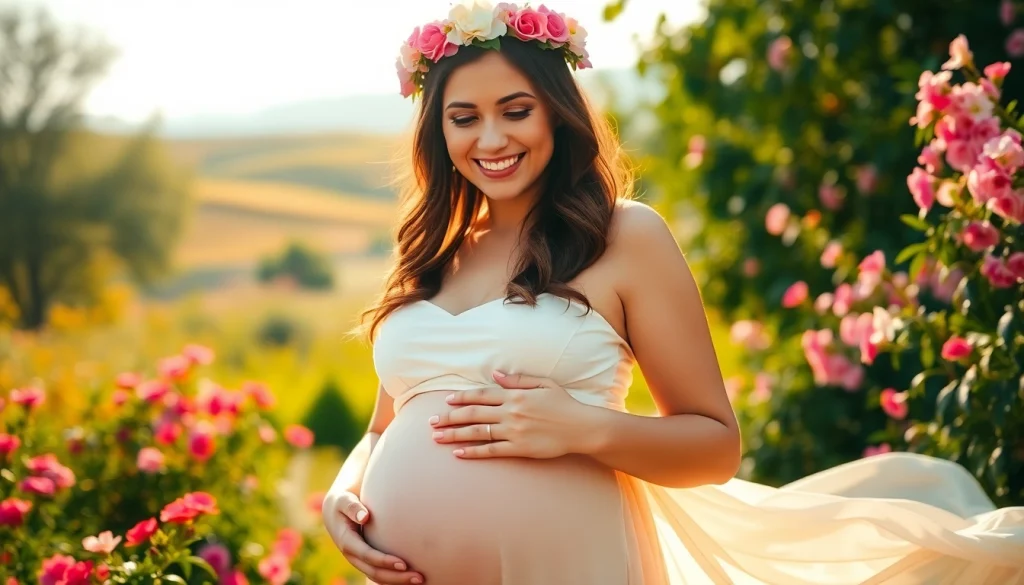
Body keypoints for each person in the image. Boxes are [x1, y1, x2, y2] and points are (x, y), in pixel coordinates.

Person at [321, 2, 1024, 584]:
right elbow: (385, 426)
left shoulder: (626, 238)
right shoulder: (430, 254)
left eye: (515, 109)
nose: (492, 137)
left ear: (556, 113)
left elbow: (714, 445)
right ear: (437, 130)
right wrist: (344, 491)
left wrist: (582, 427)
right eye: (464, 117)